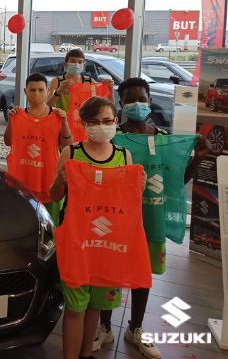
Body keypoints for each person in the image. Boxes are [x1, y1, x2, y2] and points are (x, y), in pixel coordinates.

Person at [93, 77, 209, 358]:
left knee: (142, 275)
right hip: (119, 222)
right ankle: (105, 326)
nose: (137, 104)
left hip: (151, 221)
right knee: (112, 273)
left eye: (141, 99)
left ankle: (135, 328)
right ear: (121, 104)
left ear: (150, 101)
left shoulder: (162, 139)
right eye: (130, 100)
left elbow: (176, 182)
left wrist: (197, 158)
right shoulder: (113, 139)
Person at [50, 96, 133, 359]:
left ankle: (86, 353)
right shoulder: (71, 153)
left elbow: (127, 204)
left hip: (108, 244)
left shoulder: (123, 156)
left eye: (107, 121)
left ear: (116, 121)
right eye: (95, 122)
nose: (102, 126)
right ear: (84, 124)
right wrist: (61, 180)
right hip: (77, 243)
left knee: (95, 306)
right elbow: (54, 195)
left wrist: (138, 189)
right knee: (75, 308)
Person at [4, 72, 73, 224]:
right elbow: (8, 142)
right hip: (21, 186)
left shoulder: (57, 117)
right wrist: (10, 120)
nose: (36, 94)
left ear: (47, 91)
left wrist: (64, 123)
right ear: (25, 91)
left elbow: (68, 146)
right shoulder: (17, 115)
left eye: (41, 90)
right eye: (32, 90)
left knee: (49, 228)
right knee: (21, 225)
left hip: (48, 186)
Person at [47, 48, 113, 112]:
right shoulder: (57, 81)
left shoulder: (89, 81)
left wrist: (110, 90)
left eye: (80, 62)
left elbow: (108, 105)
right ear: (65, 64)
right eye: (72, 61)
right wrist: (59, 91)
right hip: (63, 119)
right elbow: (47, 106)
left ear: (83, 66)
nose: (76, 64)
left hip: (84, 118)